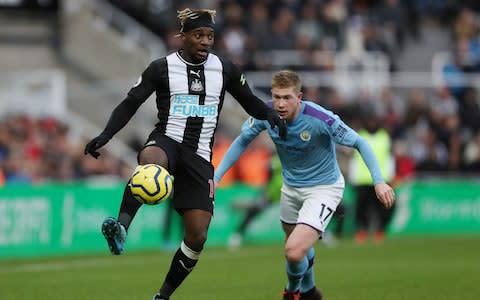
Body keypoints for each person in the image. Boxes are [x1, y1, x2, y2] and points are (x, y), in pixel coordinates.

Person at [84, 8, 286, 300]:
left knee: (197, 236)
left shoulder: (225, 69)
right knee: (151, 162)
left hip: (200, 156)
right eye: (198, 35)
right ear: (183, 37)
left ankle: (163, 295)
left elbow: (250, 101)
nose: (205, 41)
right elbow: (131, 103)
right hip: (167, 139)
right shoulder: (161, 68)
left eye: (210, 36)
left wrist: (271, 117)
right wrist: (105, 135)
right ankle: (121, 227)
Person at [214, 70, 395, 300]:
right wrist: (217, 177)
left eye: (287, 97)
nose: (280, 103)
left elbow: (360, 142)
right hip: (290, 189)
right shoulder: (264, 114)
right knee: (299, 249)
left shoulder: (321, 119)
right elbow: (241, 141)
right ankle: (310, 291)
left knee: (293, 250)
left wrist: (379, 182)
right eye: (276, 97)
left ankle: (292, 292)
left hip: (324, 189)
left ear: (299, 97)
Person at [349, 111, 396, 244]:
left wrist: (391, 176)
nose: (372, 123)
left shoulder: (384, 136)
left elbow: (389, 157)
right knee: (361, 208)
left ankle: (380, 231)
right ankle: (362, 232)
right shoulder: (360, 136)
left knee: (383, 208)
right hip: (362, 179)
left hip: (381, 180)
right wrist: (353, 177)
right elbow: (354, 158)